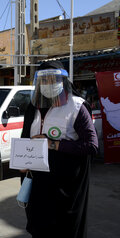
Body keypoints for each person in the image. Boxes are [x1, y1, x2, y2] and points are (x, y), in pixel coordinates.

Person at [20, 61, 98, 238]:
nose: (48, 84)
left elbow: (92, 146)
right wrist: (22, 162)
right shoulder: (33, 107)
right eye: (44, 81)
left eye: (52, 79)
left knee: (64, 230)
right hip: (38, 183)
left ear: (63, 80)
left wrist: (53, 144)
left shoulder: (77, 106)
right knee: (39, 227)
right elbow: (25, 138)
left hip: (65, 186)